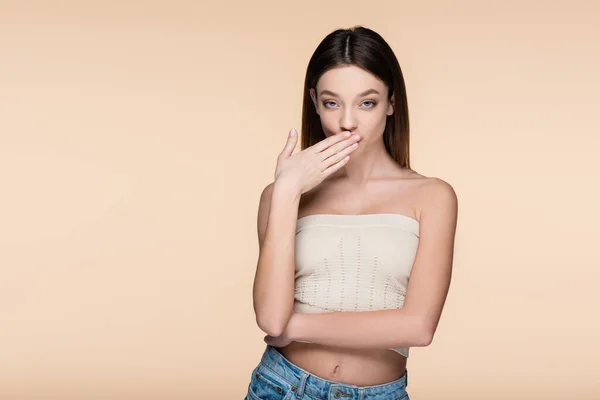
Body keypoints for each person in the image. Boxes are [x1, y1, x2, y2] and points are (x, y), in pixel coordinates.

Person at [245, 25, 458, 400]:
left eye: (367, 102)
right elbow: (270, 318)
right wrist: (287, 190)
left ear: (391, 103)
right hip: (281, 387)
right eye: (332, 102)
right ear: (314, 101)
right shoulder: (282, 196)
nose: (346, 121)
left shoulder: (432, 196)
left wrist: (297, 326)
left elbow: (418, 327)